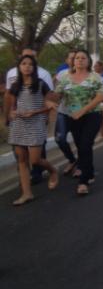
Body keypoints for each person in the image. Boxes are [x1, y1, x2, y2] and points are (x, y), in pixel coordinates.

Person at [6, 55, 58, 206]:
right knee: (22, 160)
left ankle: (53, 171)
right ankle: (27, 193)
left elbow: (52, 104)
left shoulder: (41, 84)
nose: (27, 66)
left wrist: (35, 112)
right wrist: (11, 113)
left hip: (36, 124)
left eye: (30, 64)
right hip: (18, 124)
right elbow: (13, 105)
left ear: (35, 68)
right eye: (24, 63)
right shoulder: (15, 85)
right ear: (19, 66)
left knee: (34, 160)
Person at [55, 49, 103, 195]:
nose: (80, 60)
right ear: (73, 61)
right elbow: (57, 94)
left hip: (92, 115)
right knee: (82, 146)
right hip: (74, 117)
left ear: (88, 61)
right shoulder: (65, 77)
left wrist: (82, 111)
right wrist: (49, 101)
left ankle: (83, 182)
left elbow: (100, 97)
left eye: (83, 58)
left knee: (84, 144)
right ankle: (89, 172)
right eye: (77, 58)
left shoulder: (95, 77)